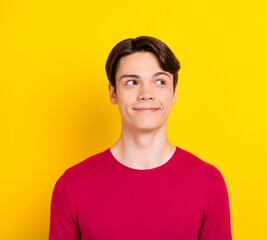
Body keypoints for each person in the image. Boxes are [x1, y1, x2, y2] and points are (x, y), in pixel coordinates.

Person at [49, 36, 232, 240]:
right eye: (132, 82)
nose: (146, 94)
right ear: (113, 93)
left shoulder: (209, 183)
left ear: (174, 93)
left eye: (160, 81)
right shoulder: (71, 186)